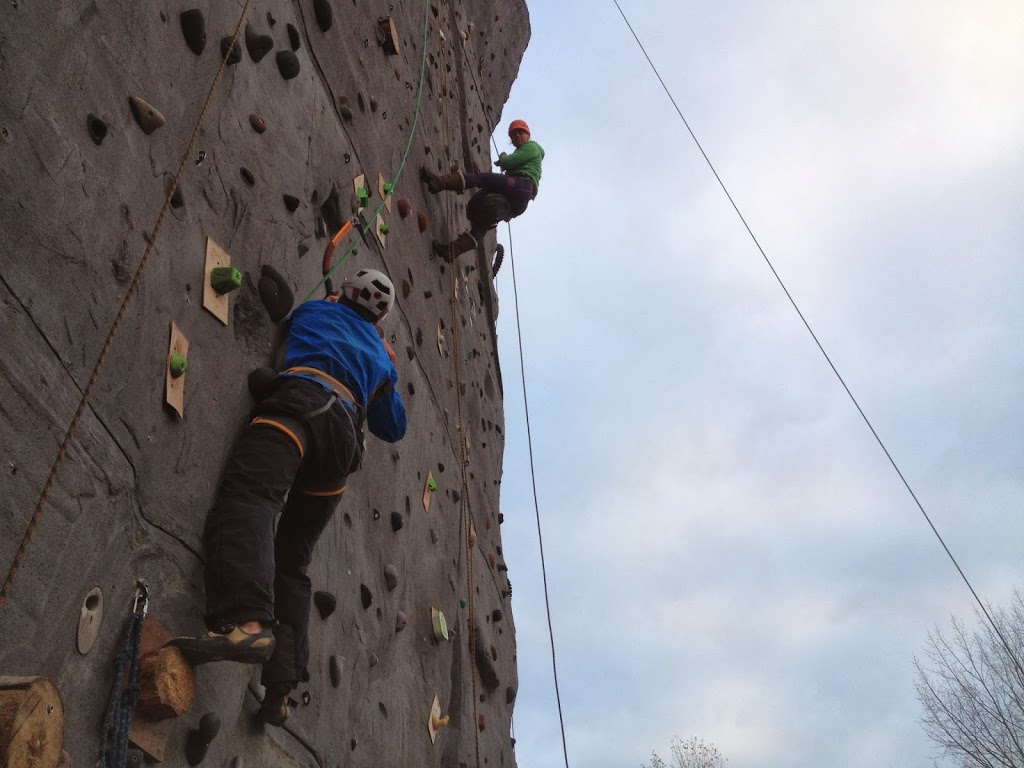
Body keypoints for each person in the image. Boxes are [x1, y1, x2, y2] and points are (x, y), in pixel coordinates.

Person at [167, 269, 407, 726]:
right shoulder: (380, 356)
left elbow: (298, 324)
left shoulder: (316, 310)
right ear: (380, 319)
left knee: (251, 499)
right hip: (341, 443)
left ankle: (248, 625)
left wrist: (336, 307)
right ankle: (280, 690)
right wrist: (386, 371)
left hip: (300, 404)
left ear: (344, 293)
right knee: (293, 561)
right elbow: (393, 427)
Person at [421, 118, 544, 262]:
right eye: (513, 135)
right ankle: (452, 251)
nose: (517, 136)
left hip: (521, 185)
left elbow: (508, 162)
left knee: (483, 178)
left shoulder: (532, 147)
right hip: (519, 200)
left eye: (520, 132)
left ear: (528, 134)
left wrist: (503, 157)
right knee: (481, 222)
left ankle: (440, 182)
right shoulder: (527, 154)